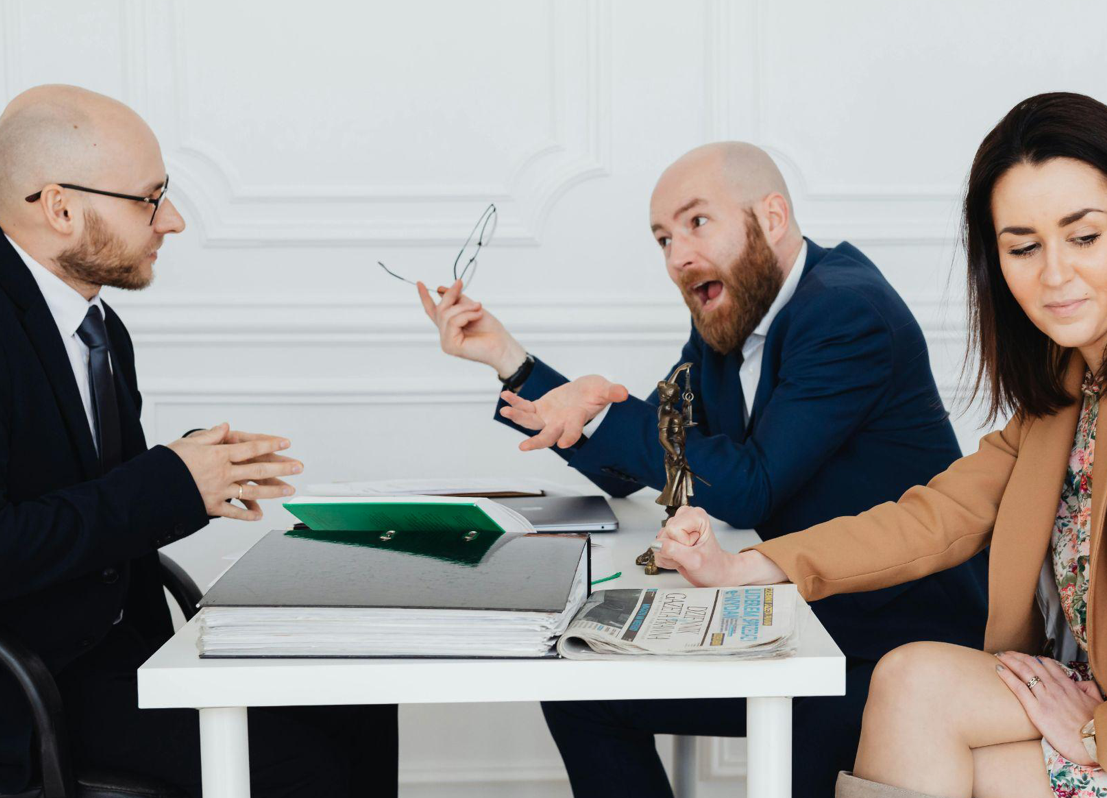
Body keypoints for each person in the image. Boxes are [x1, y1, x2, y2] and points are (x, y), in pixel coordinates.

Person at [653, 93, 1107, 798]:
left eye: (1083, 237)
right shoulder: (1068, 387)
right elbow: (932, 518)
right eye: (1023, 247)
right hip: (1099, 697)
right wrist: (743, 567)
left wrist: (1104, 734)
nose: (1054, 273)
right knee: (910, 679)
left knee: (938, 751)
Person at [418, 141, 989, 796]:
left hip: (888, 642)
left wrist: (613, 411)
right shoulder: (729, 315)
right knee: (583, 691)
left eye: (695, 223)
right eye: (662, 238)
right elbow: (639, 467)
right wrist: (511, 361)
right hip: (805, 618)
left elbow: (749, 486)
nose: (676, 256)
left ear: (771, 217)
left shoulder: (847, 313)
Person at [0, 85, 397, 796]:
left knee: (357, 704)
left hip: (107, 648)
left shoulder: (97, 328)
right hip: (6, 682)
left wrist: (196, 474)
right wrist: (168, 484)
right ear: (60, 208)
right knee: (297, 768)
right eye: (148, 199)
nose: (173, 220)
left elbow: (94, 500)